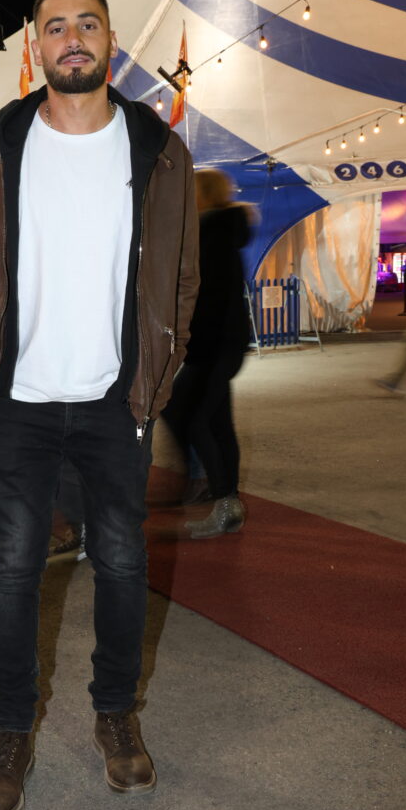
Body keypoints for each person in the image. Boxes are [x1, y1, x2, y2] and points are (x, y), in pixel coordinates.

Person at [0, 0, 199, 810]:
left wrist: (157, 376)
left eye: (87, 24)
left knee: (121, 564)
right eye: (55, 27)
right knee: (10, 568)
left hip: (115, 403)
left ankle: (115, 716)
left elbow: (181, 281)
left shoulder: (159, 151)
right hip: (19, 400)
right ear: (34, 45)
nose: (71, 38)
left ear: (110, 40)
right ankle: (10, 733)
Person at [162, 168, 251, 538]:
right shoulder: (218, 231)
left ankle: (221, 497)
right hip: (218, 344)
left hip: (213, 344)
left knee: (193, 416)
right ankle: (218, 495)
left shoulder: (211, 233)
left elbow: (208, 298)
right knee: (213, 421)